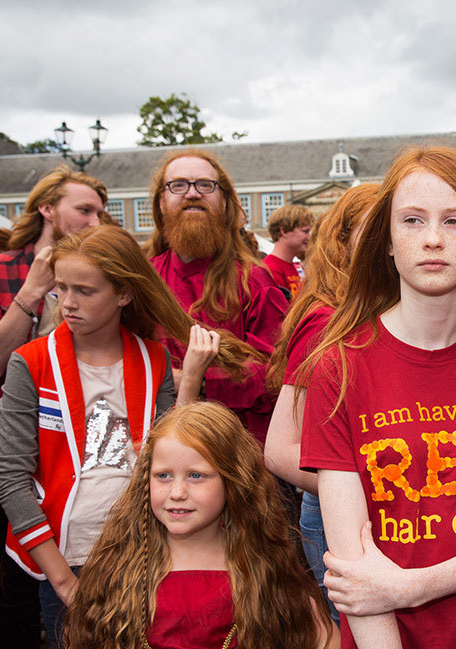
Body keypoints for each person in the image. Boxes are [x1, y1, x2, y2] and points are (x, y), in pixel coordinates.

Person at [298, 146, 456, 649]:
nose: (432, 238)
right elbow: (353, 565)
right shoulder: (339, 367)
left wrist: (410, 587)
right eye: (412, 220)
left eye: (454, 221)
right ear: (387, 241)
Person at [0, 225, 256, 649]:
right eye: (61, 288)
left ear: (124, 294)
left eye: (85, 290)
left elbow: (173, 454)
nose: (69, 302)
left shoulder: (152, 358)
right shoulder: (32, 362)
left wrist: (189, 378)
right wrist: (62, 581)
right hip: (66, 557)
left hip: (143, 549)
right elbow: (11, 480)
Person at [0, 164, 105, 649]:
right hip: (11, 453)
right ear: (47, 209)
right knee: (16, 585)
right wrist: (34, 287)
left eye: (100, 212)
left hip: (86, 451)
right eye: (83, 209)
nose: (95, 220)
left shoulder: (100, 271)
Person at [62, 401, 337, 649]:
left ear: (233, 480)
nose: (177, 493)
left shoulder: (261, 569)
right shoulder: (118, 569)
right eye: (163, 476)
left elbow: (325, 645)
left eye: (196, 476)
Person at [264, 182, 379, 623]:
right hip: (337, 511)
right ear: (343, 240)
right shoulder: (328, 318)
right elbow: (279, 450)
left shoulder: (372, 307)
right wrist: (369, 494)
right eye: (370, 233)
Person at [147, 148, 288, 442]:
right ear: (161, 201)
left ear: (224, 201)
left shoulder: (255, 280)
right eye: (178, 185)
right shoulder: (143, 280)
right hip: (153, 441)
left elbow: (275, 372)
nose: (192, 193)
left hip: (234, 445)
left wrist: (197, 380)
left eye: (205, 185)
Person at [264, 203, 313, 298]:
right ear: (284, 231)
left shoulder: (297, 267)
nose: (309, 237)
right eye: (305, 231)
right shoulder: (270, 269)